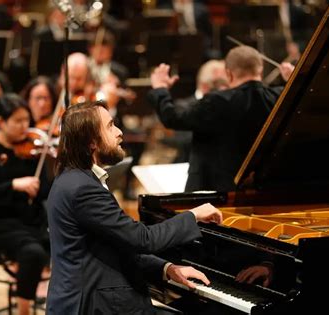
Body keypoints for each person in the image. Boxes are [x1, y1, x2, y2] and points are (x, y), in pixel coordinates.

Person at [46, 101, 223, 314]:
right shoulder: (82, 187)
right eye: (111, 126)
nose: (120, 132)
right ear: (91, 142)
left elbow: (117, 245)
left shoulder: (74, 178)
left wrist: (166, 268)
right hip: (93, 304)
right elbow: (143, 239)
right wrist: (194, 215)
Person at [148, 45, 295, 192]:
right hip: (267, 193)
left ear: (229, 73)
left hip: (218, 197)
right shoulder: (280, 97)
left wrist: (160, 88)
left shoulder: (218, 101)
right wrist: (294, 80)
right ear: (260, 70)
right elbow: (300, 97)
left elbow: (173, 118)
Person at [0, 94, 51, 315]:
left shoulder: (31, 151)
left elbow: (44, 191)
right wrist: (13, 185)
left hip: (30, 222)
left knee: (72, 242)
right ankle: (24, 310)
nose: (25, 126)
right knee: (33, 253)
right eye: (18, 121)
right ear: (1, 122)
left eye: (27, 120)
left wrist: (47, 169)